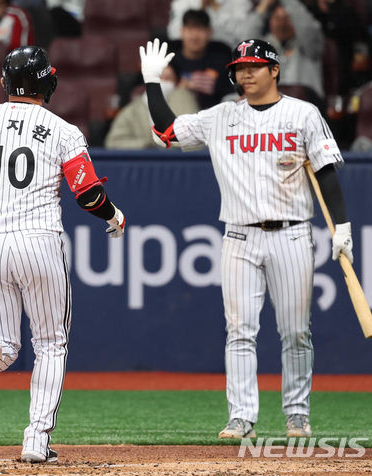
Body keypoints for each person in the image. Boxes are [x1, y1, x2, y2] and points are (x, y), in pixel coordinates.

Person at [139, 38, 353, 439]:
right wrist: (153, 84)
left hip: (291, 234)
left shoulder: (302, 114)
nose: (245, 73)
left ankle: (297, 414)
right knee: (239, 330)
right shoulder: (221, 116)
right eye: (239, 67)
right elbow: (168, 131)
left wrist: (342, 226)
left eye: (254, 65)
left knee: (295, 331)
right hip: (239, 236)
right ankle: (241, 416)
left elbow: (325, 172)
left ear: (275, 70)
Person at [0, 46, 126, 462]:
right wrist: (114, 214)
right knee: (51, 343)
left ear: (3, 84)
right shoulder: (63, 130)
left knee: (9, 348)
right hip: (39, 241)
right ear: (49, 83)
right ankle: (36, 439)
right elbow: (87, 193)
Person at [238, 0, 325, 98]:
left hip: (305, 105)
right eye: (277, 18)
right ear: (270, 21)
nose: (282, 24)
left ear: (296, 22)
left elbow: (307, 28)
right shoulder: (264, 47)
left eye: (288, 18)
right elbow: (244, 45)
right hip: (270, 108)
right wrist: (264, 5)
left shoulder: (310, 45)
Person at [105, 64, 199, 149]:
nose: (163, 83)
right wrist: (146, 144)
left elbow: (194, 139)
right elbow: (113, 142)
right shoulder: (133, 110)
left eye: (168, 78)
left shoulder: (183, 98)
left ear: (176, 83)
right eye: (159, 78)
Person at [167, 9, 234, 110]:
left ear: (209, 32)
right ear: (181, 31)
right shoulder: (168, 57)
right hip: (174, 113)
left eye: (200, 29)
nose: (194, 36)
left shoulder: (221, 57)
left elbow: (230, 95)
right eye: (190, 29)